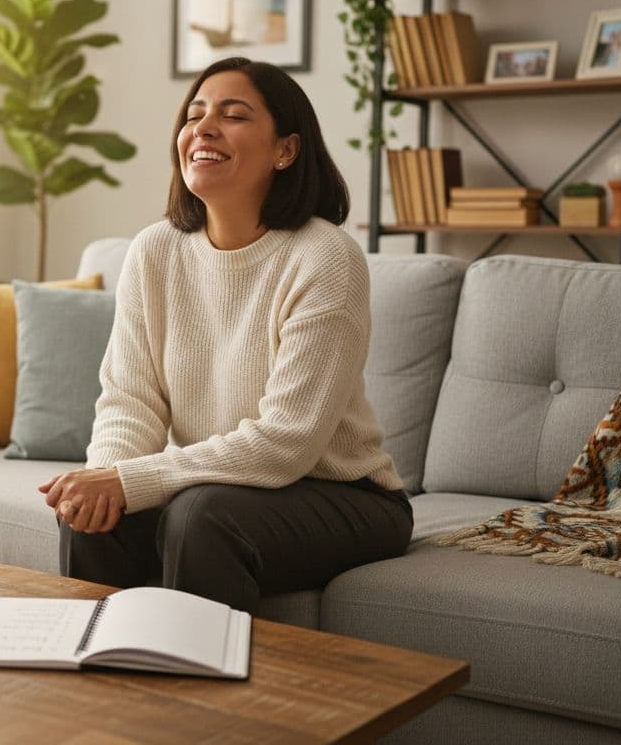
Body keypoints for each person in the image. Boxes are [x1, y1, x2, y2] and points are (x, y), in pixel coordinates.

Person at [40, 57, 412, 613]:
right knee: (95, 518)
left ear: (285, 150)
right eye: (195, 115)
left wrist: (132, 480)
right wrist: (105, 480)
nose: (204, 128)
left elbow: (287, 441)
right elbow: (129, 400)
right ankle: (105, 687)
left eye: (233, 115)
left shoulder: (325, 257)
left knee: (200, 517)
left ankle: (206, 697)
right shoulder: (154, 251)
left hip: (344, 496)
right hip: (217, 488)